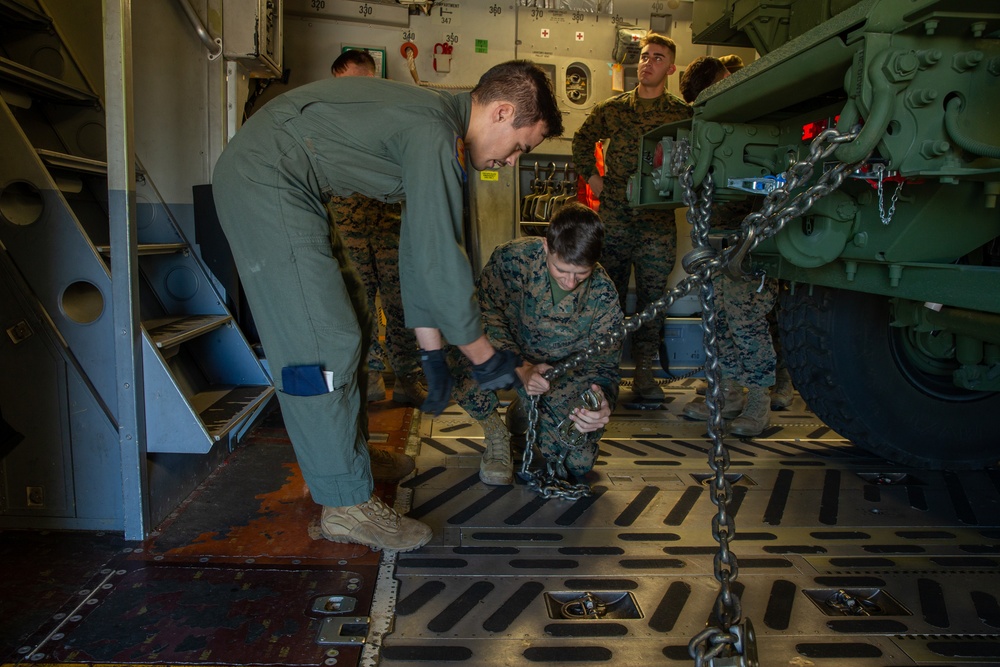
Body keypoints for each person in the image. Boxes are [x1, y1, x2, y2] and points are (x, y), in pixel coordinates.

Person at [212, 61, 563, 552]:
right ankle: (344, 504)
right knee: (320, 341)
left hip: (293, 184)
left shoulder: (441, 131)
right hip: (264, 179)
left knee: (352, 315)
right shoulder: (434, 131)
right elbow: (442, 259)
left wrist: (430, 354)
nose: (509, 163)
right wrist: (485, 357)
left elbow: (418, 249)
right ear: (503, 112)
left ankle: (346, 459)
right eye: (519, 148)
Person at [449, 202, 623, 484]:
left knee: (577, 464)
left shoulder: (603, 295)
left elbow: (605, 366)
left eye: (581, 274)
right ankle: (495, 430)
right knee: (458, 346)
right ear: (546, 246)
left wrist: (602, 402)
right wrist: (521, 367)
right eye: (561, 270)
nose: (569, 282)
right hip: (506, 356)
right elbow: (483, 316)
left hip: (556, 375)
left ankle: (526, 406)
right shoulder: (512, 260)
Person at [571, 33, 692, 402]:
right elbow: (582, 140)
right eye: (643, 56)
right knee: (608, 297)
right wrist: (596, 180)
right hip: (615, 220)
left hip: (656, 225)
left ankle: (643, 374)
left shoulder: (681, 114)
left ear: (670, 68)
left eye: (657, 57)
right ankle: (605, 376)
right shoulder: (615, 109)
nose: (647, 62)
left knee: (653, 301)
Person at [677, 55, 777, 436]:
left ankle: (758, 403)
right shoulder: (706, 125)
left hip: (747, 238)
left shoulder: (755, 117)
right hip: (715, 236)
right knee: (719, 319)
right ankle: (731, 394)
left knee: (746, 321)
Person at [327, 50, 427, 406]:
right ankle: (369, 376)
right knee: (359, 302)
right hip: (347, 225)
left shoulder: (392, 116)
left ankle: (408, 376)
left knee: (402, 301)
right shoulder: (326, 120)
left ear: (373, 77)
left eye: (359, 82)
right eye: (344, 85)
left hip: (389, 224)